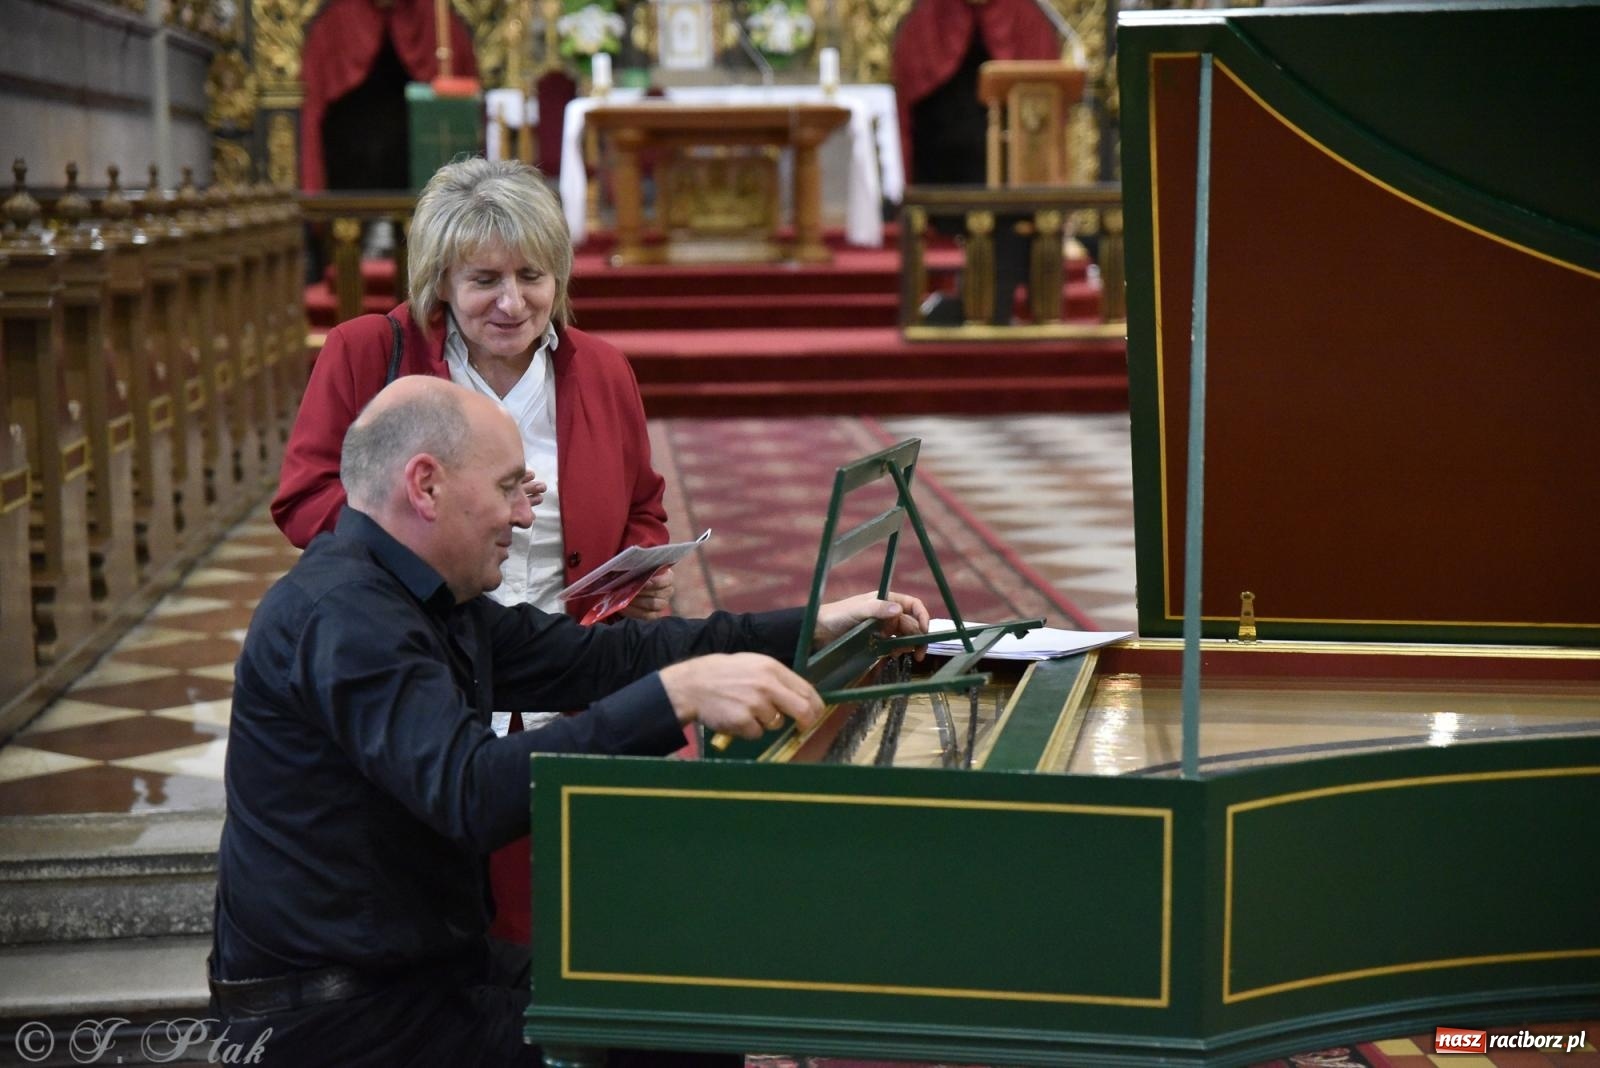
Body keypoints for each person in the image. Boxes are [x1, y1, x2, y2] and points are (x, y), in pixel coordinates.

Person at [212, 377, 930, 1066]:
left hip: (420, 968)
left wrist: (812, 629)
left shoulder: (419, 595)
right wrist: (676, 695)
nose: (523, 517)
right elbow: (471, 792)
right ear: (425, 486)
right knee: (671, 1039)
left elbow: (601, 655)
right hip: (343, 1018)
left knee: (690, 1009)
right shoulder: (346, 616)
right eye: (506, 489)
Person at [273, 156, 673, 947]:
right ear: (440, 278)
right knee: (448, 893)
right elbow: (304, 496)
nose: (512, 301)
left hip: (568, 663)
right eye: (484, 278)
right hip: (429, 659)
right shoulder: (366, 353)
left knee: (576, 909)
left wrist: (640, 569)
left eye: (533, 274)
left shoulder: (601, 371)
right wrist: (418, 561)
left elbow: (643, 506)